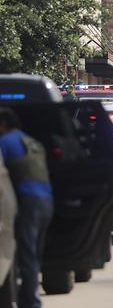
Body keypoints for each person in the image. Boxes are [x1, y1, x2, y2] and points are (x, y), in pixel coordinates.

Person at [0, 108, 53, 308]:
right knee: (34, 255)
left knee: (27, 256)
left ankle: (31, 302)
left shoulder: (5, 142)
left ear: (3, 124)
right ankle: (27, 298)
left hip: (29, 203)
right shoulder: (31, 142)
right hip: (47, 202)